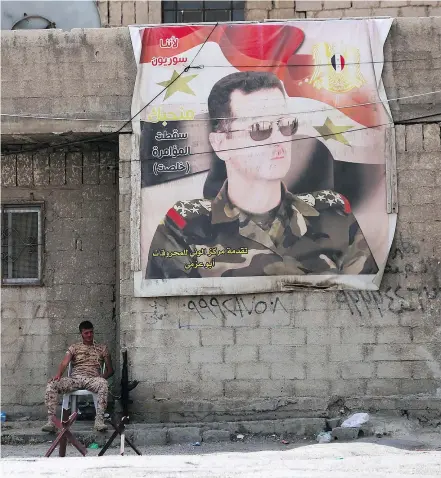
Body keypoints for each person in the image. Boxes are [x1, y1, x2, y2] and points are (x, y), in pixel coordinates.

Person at [146, 71, 378, 279]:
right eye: (260, 129)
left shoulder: (332, 213)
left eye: (285, 124)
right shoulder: (184, 227)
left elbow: (363, 303)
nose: (279, 139)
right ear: (221, 143)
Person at [41, 320, 114, 432]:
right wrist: (58, 375)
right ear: (81, 334)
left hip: (92, 379)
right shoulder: (74, 347)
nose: (89, 335)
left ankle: (99, 421)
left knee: (103, 384)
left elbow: (110, 370)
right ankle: (51, 422)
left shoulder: (102, 348)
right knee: (52, 384)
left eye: (91, 332)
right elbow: (65, 363)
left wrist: (101, 378)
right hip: (75, 379)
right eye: (86, 333)